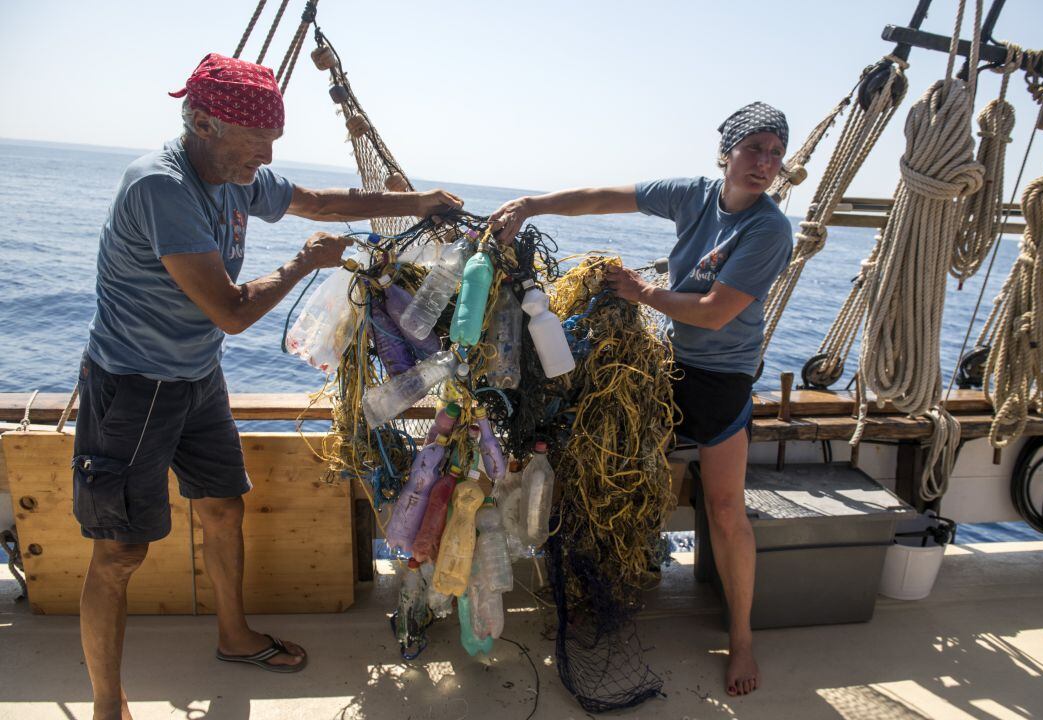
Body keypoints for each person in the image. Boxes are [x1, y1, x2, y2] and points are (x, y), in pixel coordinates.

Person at [73, 53, 462, 720]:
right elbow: (229, 310)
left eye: (270, 148)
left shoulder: (232, 174)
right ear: (203, 123)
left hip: (197, 377)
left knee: (224, 507)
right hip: (133, 388)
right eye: (254, 146)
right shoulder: (161, 188)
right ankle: (109, 706)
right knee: (119, 551)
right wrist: (301, 263)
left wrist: (416, 201)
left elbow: (318, 202)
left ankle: (233, 636)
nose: (262, 160)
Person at [489, 102, 793, 697]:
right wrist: (532, 205)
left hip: (722, 382)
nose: (765, 163)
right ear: (727, 151)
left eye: (776, 153)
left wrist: (641, 291)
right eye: (754, 148)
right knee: (600, 469)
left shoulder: (769, 229)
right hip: (667, 370)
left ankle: (742, 640)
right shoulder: (693, 196)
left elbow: (713, 314)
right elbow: (604, 196)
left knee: (727, 512)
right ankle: (592, 592)